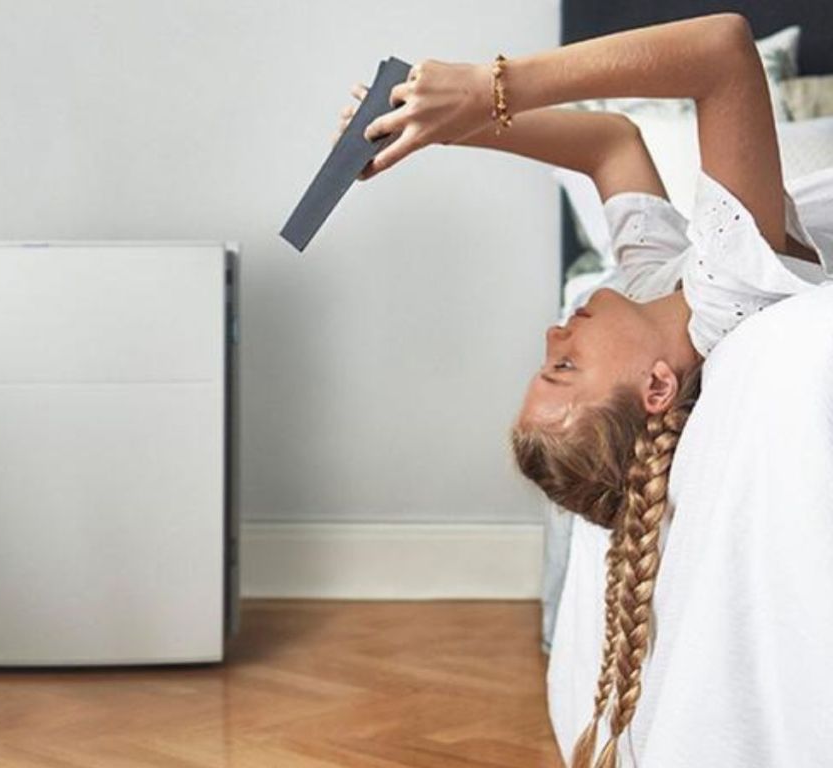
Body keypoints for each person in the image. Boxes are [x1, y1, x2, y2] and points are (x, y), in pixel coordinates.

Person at [332, 12, 833, 767]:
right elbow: (724, 52)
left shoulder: (652, 284)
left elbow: (613, 145)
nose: (552, 336)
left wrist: (435, 127)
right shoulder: (734, 294)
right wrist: (491, 86)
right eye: (565, 367)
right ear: (657, 386)